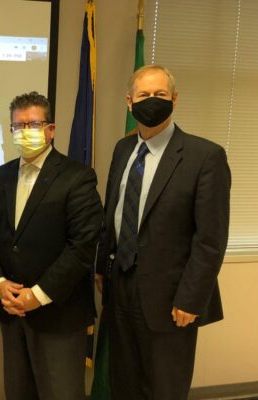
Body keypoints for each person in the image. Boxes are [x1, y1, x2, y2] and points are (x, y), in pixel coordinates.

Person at [95, 65, 230, 400]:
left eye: (160, 95)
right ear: (129, 102)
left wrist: (191, 298)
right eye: (143, 95)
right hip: (120, 288)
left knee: (164, 388)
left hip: (171, 300)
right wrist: (101, 266)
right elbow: (111, 212)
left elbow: (210, 239)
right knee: (124, 382)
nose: (151, 101)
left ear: (175, 99)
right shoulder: (123, 150)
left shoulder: (205, 157)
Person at [0, 91, 103, 400]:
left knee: (62, 394)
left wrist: (38, 294)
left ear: (51, 129)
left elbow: (83, 245)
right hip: (11, 311)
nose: (25, 132)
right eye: (18, 126)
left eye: (33, 123)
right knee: (18, 393)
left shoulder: (78, 177)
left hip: (58, 313)